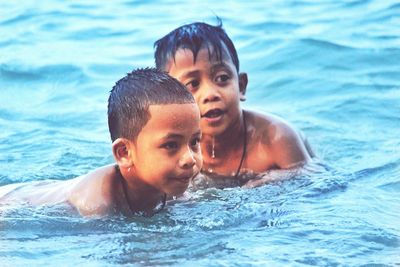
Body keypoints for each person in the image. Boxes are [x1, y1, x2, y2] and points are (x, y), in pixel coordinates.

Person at [0, 68, 203, 217]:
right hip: (13, 203)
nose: (189, 159)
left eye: (194, 141)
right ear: (124, 153)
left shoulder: (171, 187)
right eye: (170, 145)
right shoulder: (97, 203)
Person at [154, 20, 314, 188]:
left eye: (222, 78)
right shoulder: (170, 147)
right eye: (192, 84)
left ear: (241, 86)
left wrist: (271, 182)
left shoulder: (276, 138)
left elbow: (313, 181)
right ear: (169, 101)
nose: (210, 94)